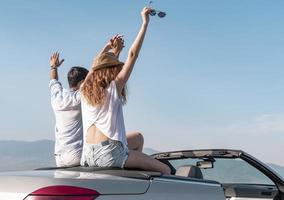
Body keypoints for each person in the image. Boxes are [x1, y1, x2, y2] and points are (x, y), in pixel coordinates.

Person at [80, 7, 171, 174]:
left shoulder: (84, 91)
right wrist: (144, 23)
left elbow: (94, 67)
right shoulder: (114, 88)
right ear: (111, 71)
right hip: (109, 154)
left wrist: (109, 48)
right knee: (165, 170)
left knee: (137, 138)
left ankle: (132, 173)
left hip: (87, 155)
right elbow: (133, 55)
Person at [49, 53, 89, 167]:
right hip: (77, 154)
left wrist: (54, 67)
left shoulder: (57, 96)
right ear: (82, 83)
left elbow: (53, 80)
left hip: (59, 156)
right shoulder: (80, 97)